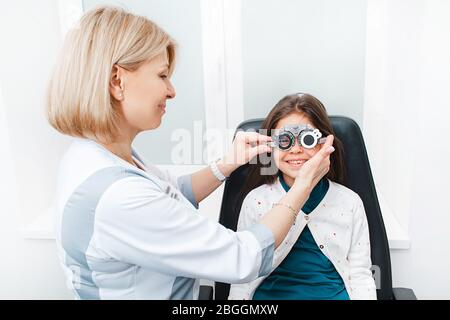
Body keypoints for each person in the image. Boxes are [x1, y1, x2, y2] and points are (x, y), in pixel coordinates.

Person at [46, 6, 334, 299]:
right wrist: (302, 188)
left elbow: (173, 192)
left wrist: (226, 165)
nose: (171, 91)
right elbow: (243, 258)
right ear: (116, 81)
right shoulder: (118, 197)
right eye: (162, 75)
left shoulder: (99, 156)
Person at [228, 93, 376, 300]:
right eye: (285, 140)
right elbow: (242, 273)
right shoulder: (256, 201)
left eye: (307, 139)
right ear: (271, 146)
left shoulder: (349, 203)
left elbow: (360, 276)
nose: (296, 149)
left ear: (325, 143)